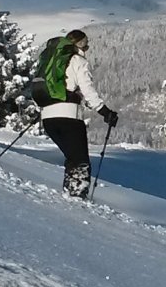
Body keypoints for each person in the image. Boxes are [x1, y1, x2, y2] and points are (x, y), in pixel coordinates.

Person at [38, 28, 118, 197]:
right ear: (80, 45)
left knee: (72, 158)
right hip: (69, 118)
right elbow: (87, 90)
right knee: (80, 161)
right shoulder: (78, 61)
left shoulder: (51, 61)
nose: (87, 49)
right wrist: (105, 111)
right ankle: (76, 199)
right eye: (86, 46)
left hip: (48, 118)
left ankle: (70, 195)